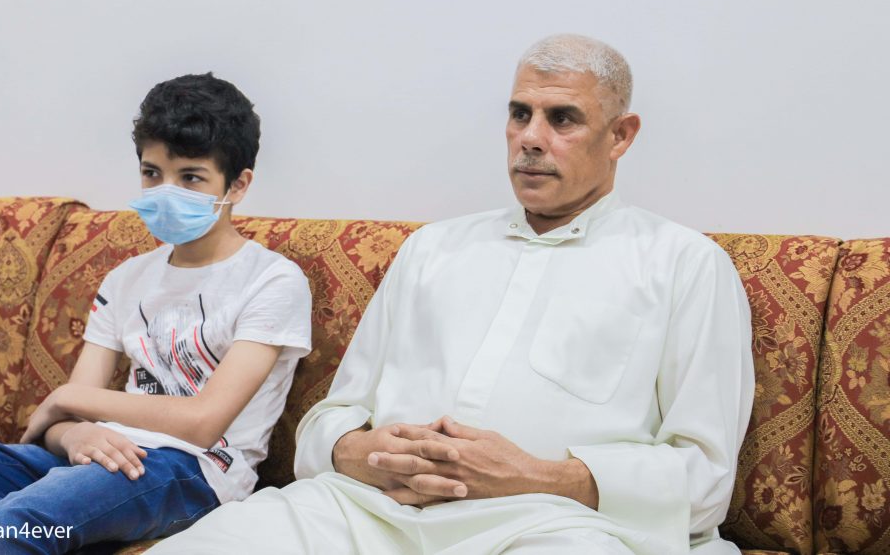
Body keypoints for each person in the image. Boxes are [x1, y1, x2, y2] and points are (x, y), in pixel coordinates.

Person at [149, 34, 754, 555]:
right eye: (519, 114)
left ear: (621, 135)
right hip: (367, 514)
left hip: (554, 526)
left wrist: (537, 476)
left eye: (562, 119)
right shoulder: (433, 249)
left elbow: (704, 479)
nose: (530, 138)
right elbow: (329, 420)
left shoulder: (684, 265)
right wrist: (358, 451)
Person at [0, 73, 312, 553]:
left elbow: (203, 421)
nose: (165, 191)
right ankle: (41, 531)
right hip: (93, 455)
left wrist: (67, 399)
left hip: (189, 470)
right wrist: (74, 431)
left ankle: (24, 526)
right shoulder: (126, 279)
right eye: (151, 173)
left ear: (238, 184)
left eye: (190, 177)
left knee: (18, 520)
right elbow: (67, 418)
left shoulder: (272, 280)